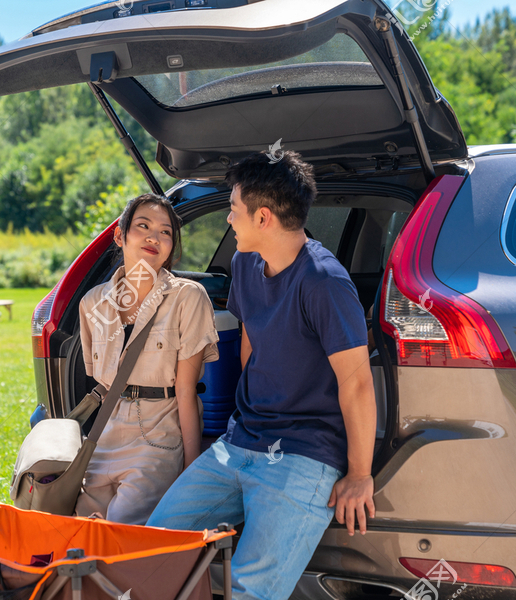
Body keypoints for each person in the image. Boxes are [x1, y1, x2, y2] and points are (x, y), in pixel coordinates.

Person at [146, 152, 377, 600]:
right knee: (151, 549)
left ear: (264, 217)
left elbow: (357, 382)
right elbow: (251, 341)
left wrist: (359, 473)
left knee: (250, 591)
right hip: (241, 442)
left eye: (233, 209)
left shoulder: (325, 283)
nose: (229, 219)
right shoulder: (245, 264)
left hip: (304, 454)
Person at [74, 193, 220, 526]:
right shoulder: (92, 302)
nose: (154, 237)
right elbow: (102, 381)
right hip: (103, 433)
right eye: (143, 226)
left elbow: (186, 391)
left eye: (166, 232)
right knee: (80, 534)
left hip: (157, 436)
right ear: (120, 235)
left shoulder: (188, 297)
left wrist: (191, 470)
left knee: (123, 534)